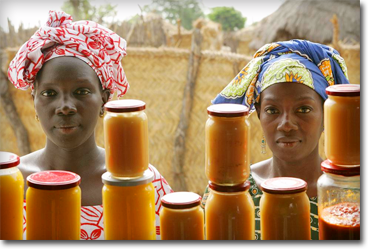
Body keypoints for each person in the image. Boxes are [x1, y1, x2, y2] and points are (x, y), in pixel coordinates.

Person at [7, 10, 172, 240]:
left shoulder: (140, 182)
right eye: (49, 93)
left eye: (81, 91)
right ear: (33, 100)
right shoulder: (9, 184)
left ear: (104, 98)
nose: (65, 106)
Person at [201, 40, 350, 240]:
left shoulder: (350, 194)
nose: (286, 124)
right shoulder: (230, 193)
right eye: (272, 110)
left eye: (303, 109)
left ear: (326, 116)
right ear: (259, 116)